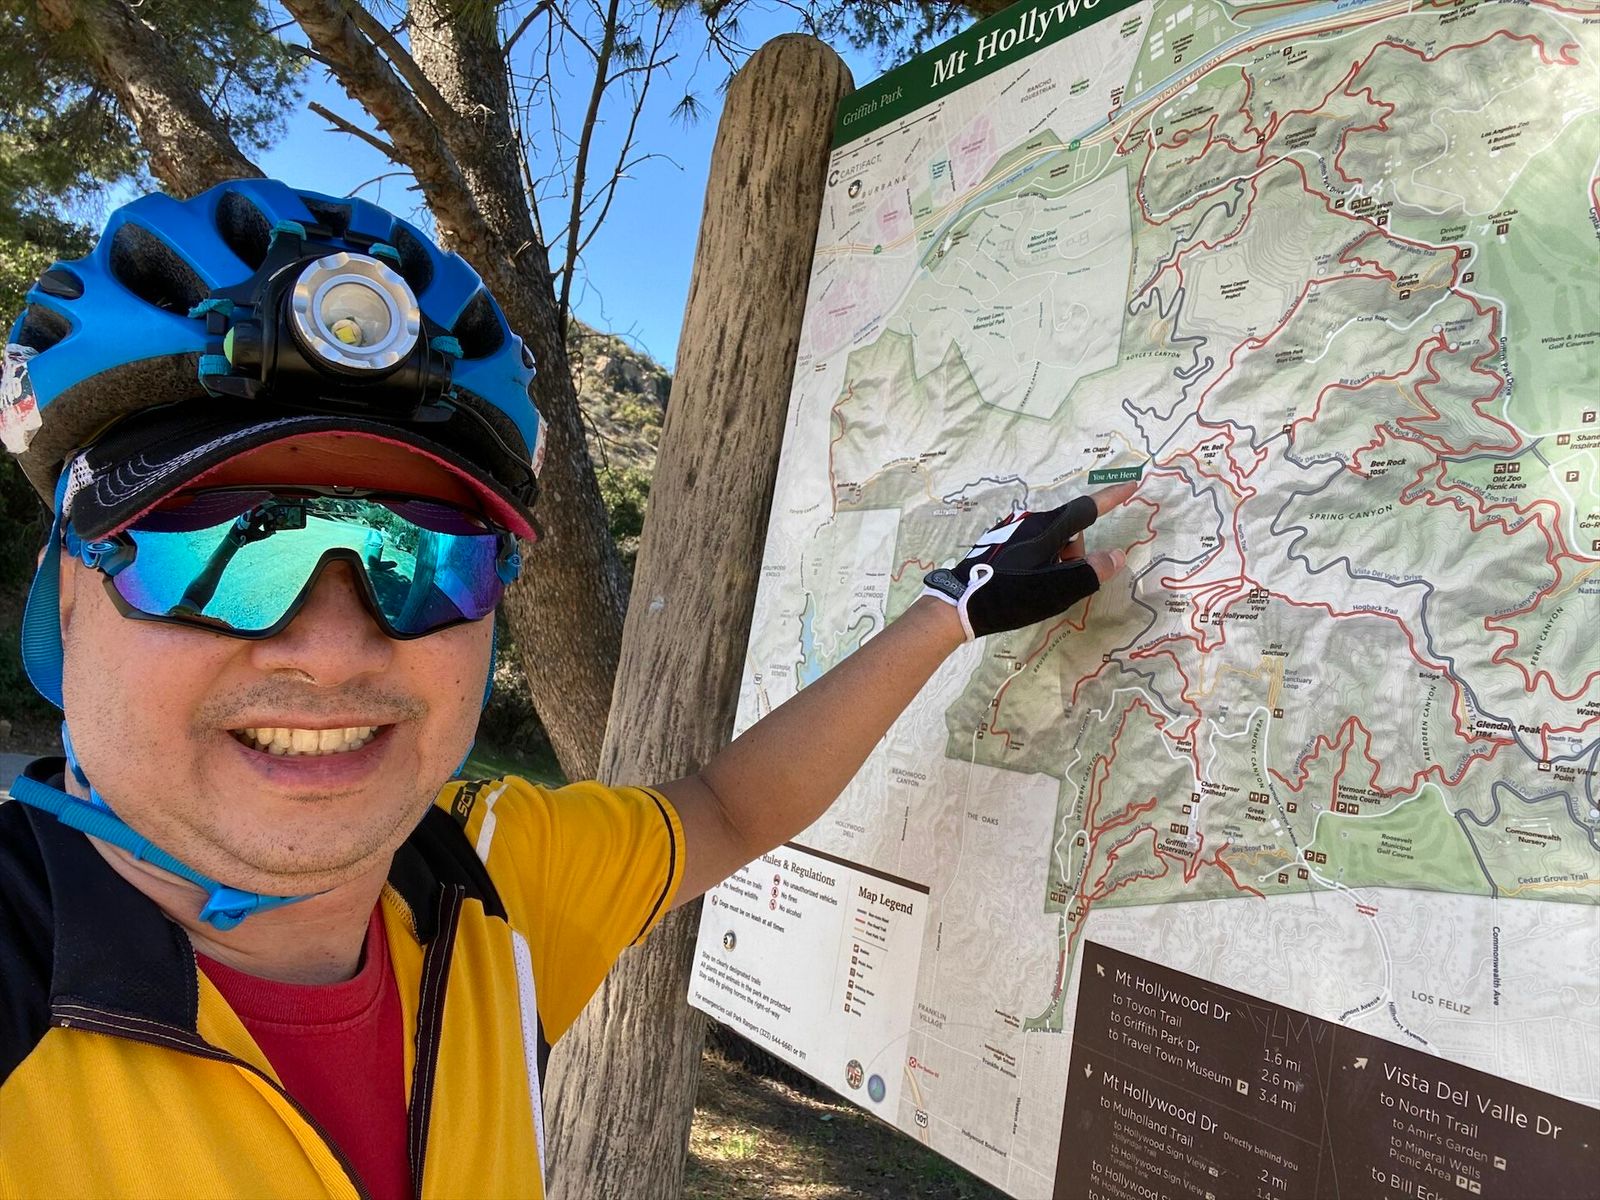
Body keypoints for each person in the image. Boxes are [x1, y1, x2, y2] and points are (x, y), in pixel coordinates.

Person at [0, 181, 1136, 1198]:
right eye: (213, 551)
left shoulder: (490, 885)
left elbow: (728, 809)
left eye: (429, 558)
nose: (335, 653)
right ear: (64, 596)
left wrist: (951, 609)